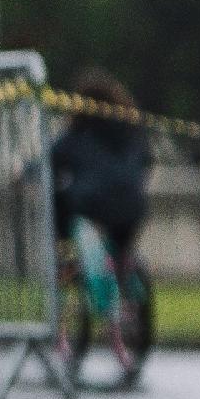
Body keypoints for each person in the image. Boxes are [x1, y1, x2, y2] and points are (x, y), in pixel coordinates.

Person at [51, 69, 152, 363]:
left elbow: (48, 163)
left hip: (92, 207)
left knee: (69, 219)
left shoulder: (76, 134)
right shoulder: (131, 127)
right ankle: (125, 282)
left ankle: (81, 275)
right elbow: (146, 161)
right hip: (132, 209)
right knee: (121, 252)